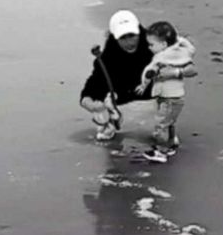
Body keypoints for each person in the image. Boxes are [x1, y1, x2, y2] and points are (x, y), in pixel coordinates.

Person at [79, 10, 195, 142]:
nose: (129, 42)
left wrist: (176, 71)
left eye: (132, 35)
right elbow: (96, 81)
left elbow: (186, 62)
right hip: (122, 91)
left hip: (153, 89)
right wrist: (87, 100)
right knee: (97, 101)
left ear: (139, 31)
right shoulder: (108, 56)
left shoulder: (154, 44)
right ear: (115, 37)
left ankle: (166, 128)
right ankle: (109, 121)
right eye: (123, 37)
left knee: (170, 99)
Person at [134, 20, 194, 162]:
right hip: (176, 98)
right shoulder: (179, 54)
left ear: (164, 45)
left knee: (161, 124)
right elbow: (191, 49)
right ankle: (171, 144)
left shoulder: (163, 57)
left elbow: (150, 71)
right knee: (169, 121)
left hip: (169, 98)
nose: (149, 48)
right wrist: (179, 40)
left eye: (151, 44)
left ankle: (160, 151)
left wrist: (144, 84)